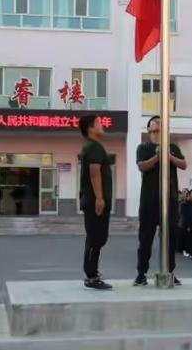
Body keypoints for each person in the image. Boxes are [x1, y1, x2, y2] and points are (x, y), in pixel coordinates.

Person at [134, 116, 187, 286]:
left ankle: (170, 271)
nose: (156, 133)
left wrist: (168, 156)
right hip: (149, 201)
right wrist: (158, 157)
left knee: (170, 239)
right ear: (149, 131)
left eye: (159, 129)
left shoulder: (173, 148)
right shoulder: (143, 147)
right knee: (145, 239)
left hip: (170, 199)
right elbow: (142, 166)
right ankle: (141, 273)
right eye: (153, 130)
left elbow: (183, 164)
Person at [78, 115, 113, 290]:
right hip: (94, 201)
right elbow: (94, 172)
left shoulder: (91, 146)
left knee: (96, 238)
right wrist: (99, 198)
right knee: (96, 238)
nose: (102, 125)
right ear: (91, 128)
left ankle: (92, 273)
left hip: (91, 200)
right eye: (99, 123)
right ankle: (91, 276)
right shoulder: (94, 147)